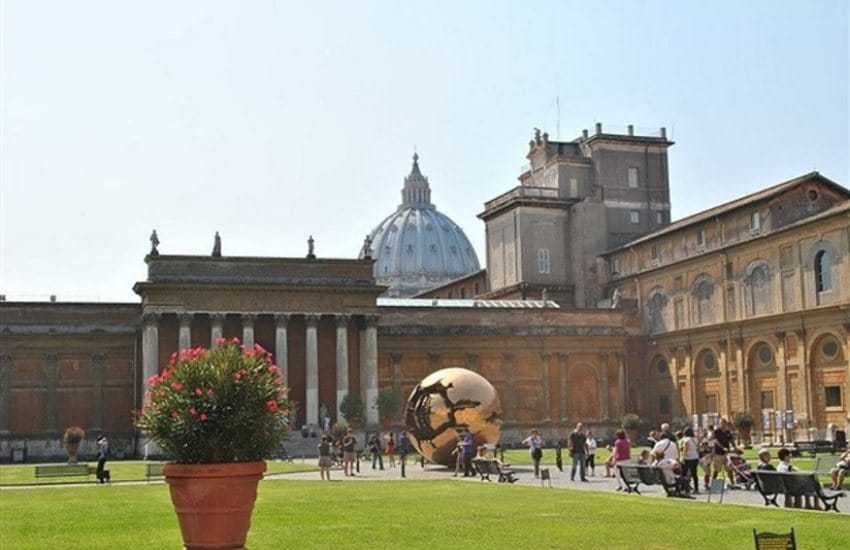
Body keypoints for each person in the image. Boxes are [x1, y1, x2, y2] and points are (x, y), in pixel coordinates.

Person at [711, 417, 735, 488]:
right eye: (721, 423)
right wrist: (722, 448)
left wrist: (735, 447)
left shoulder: (727, 432)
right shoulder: (717, 431)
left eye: (724, 423)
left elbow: (731, 440)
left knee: (729, 468)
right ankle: (713, 482)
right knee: (717, 469)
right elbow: (715, 441)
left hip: (727, 453)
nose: (723, 425)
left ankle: (732, 482)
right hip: (719, 453)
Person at [680, 427, 700, 494]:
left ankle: (683, 488)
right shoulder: (695, 439)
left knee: (684, 473)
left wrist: (683, 457)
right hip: (695, 457)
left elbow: (685, 449)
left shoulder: (686, 440)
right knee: (694, 474)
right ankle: (696, 488)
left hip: (688, 458)